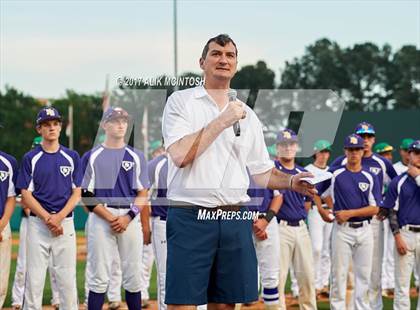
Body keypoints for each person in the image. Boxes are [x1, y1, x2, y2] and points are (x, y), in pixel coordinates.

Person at [162, 34, 315, 309]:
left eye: (230, 55)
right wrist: (222, 120)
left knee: (225, 304)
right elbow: (180, 155)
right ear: (202, 62)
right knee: (182, 304)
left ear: (235, 64)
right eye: (216, 53)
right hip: (190, 216)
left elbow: (262, 172)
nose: (223, 59)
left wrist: (292, 181)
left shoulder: (248, 115)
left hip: (234, 216)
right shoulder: (180, 102)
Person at [81, 106, 149, 310]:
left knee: (133, 276)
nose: (121, 124)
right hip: (101, 217)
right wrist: (111, 217)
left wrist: (128, 217)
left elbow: (142, 193)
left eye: (124, 120)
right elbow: (86, 194)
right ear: (104, 125)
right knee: (99, 276)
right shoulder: (92, 156)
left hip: (130, 217)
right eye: (114, 120)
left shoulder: (136, 155)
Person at [17, 107, 82, 310]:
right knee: (34, 280)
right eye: (46, 124)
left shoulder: (72, 156)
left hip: (66, 223)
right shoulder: (31, 158)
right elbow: (25, 194)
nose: (51, 128)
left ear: (61, 127)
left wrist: (59, 217)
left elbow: (77, 192)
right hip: (38, 224)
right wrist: (49, 218)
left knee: (67, 281)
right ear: (39, 129)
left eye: (55, 123)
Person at [331, 121, 397, 309]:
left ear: (374, 139)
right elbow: (327, 182)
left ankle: (374, 306)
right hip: (344, 223)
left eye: (369, 136)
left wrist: (385, 206)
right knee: (344, 271)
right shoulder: (342, 162)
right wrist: (331, 208)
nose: (366, 140)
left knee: (372, 270)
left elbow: (395, 184)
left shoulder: (381, 162)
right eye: (363, 136)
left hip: (373, 220)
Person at [318, 134, 382, 310]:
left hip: (365, 229)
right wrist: (322, 210)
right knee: (338, 276)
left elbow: (375, 208)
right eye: (350, 149)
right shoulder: (335, 173)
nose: (354, 153)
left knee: (364, 276)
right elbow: (315, 191)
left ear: (363, 151)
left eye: (357, 149)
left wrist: (349, 213)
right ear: (345, 151)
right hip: (342, 230)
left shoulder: (370, 176)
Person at [12, 136, 61, 310]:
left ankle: (57, 299)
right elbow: (24, 199)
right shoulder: (28, 162)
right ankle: (18, 300)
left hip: (52, 220)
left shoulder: (53, 164)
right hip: (31, 220)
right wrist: (44, 218)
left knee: (56, 264)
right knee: (24, 263)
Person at [273, 129, 317, 310]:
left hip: (300, 227)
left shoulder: (303, 172)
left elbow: (307, 203)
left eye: (291, 144)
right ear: (277, 148)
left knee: (307, 276)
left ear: (296, 147)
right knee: (278, 278)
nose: (288, 148)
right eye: (283, 144)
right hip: (280, 228)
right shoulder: (272, 171)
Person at [381, 140, 420, 310]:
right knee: (402, 284)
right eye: (416, 153)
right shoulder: (398, 181)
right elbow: (391, 211)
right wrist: (397, 237)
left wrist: (417, 177)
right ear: (409, 155)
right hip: (405, 233)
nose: (418, 157)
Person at [247, 174, 281, 309]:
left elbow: (278, 196)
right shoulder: (235, 164)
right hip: (241, 220)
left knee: (271, 274)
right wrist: (252, 222)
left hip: (267, 220)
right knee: (238, 273)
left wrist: (265, 221)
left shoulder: (268, 165)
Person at [305, 140, 333, 297]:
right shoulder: (308, 170)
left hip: (329, 210)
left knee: (327, 250)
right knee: (316, 248)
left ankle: (323, 284)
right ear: (315, 152)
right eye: (321, 151)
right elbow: (312, 192)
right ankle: (313, 284)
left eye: (326, 151)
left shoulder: (331, 170)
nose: (324, 155)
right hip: (315, 211)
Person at [0, 146, 18, 309]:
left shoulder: (8, 162)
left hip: (2, 224)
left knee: (1, 279)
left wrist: (2, 224)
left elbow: (11, 197)